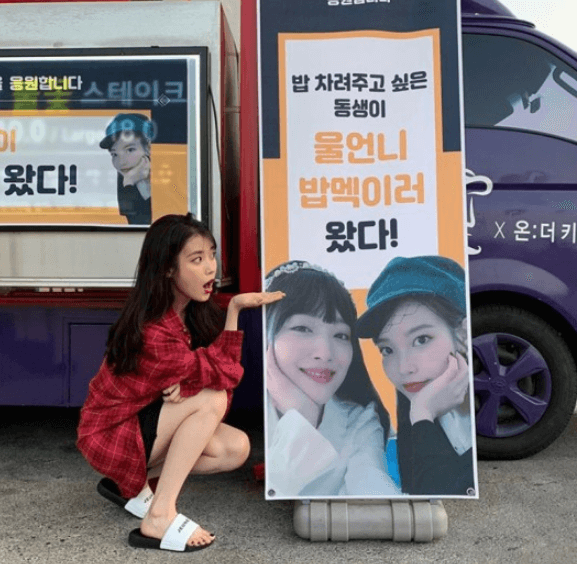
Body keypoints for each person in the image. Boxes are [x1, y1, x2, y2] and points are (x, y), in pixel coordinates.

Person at [77, 213, 284, 552]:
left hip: (138, 423)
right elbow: (225, 379)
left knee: (235, 448)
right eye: (196, 259)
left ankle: (133, 485)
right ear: (168, 269)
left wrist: (232, 310)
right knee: (211, 398)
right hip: (111, 435)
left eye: (212, 255)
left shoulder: (186, 313)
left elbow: (218, 375)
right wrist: (195, 382)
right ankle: (159, 516)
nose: (210, 268)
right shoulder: (154, 330)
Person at [264, 260, 400, 497]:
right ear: (268, 333)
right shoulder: (248, 414)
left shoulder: (361, 421)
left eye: (340, 335)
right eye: (303, 328)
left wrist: (301, 416)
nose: (325, 353)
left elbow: (372, 487)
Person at [356, 255, 475, 496]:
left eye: (421, 339)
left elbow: (441, 491)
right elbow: (418, 490)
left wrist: (422, 415)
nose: (404, 368)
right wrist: (422, 415)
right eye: (387, 349)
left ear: (462, 334)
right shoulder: (417, 394)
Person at [100, 113, 153, 225]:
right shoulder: (127, 180)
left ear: (148, 148)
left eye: (130, 150)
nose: (121, 162)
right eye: (114, 154)